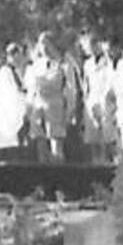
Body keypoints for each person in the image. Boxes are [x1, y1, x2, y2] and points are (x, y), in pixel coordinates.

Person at [26, 34, 68, 162]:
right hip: (38, 104)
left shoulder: (62, 63)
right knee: (40, 138)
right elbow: (30, 85)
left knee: (55, 140)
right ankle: (43, 167)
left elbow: (62, 85)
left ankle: (58, 168)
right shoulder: (36, 64)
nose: (44, 47)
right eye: (41, 43)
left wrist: (70, 110)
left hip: (55, 104)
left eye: (46, 43)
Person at [0, 43, 31, 159]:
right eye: (17, 55)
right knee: (10, 146)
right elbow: (10, 93)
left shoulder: (18, 72)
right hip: (10, 115)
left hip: (20, 113)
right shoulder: (5, 71)